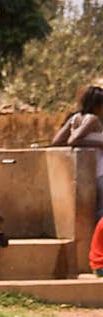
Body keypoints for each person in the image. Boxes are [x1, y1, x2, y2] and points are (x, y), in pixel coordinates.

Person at [51, 85, 103, 219]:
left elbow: (56, 142)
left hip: (84, 175)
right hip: (99, 173)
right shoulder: (92, 119)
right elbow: (73, 140)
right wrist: (99, 143)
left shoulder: (74, 119)